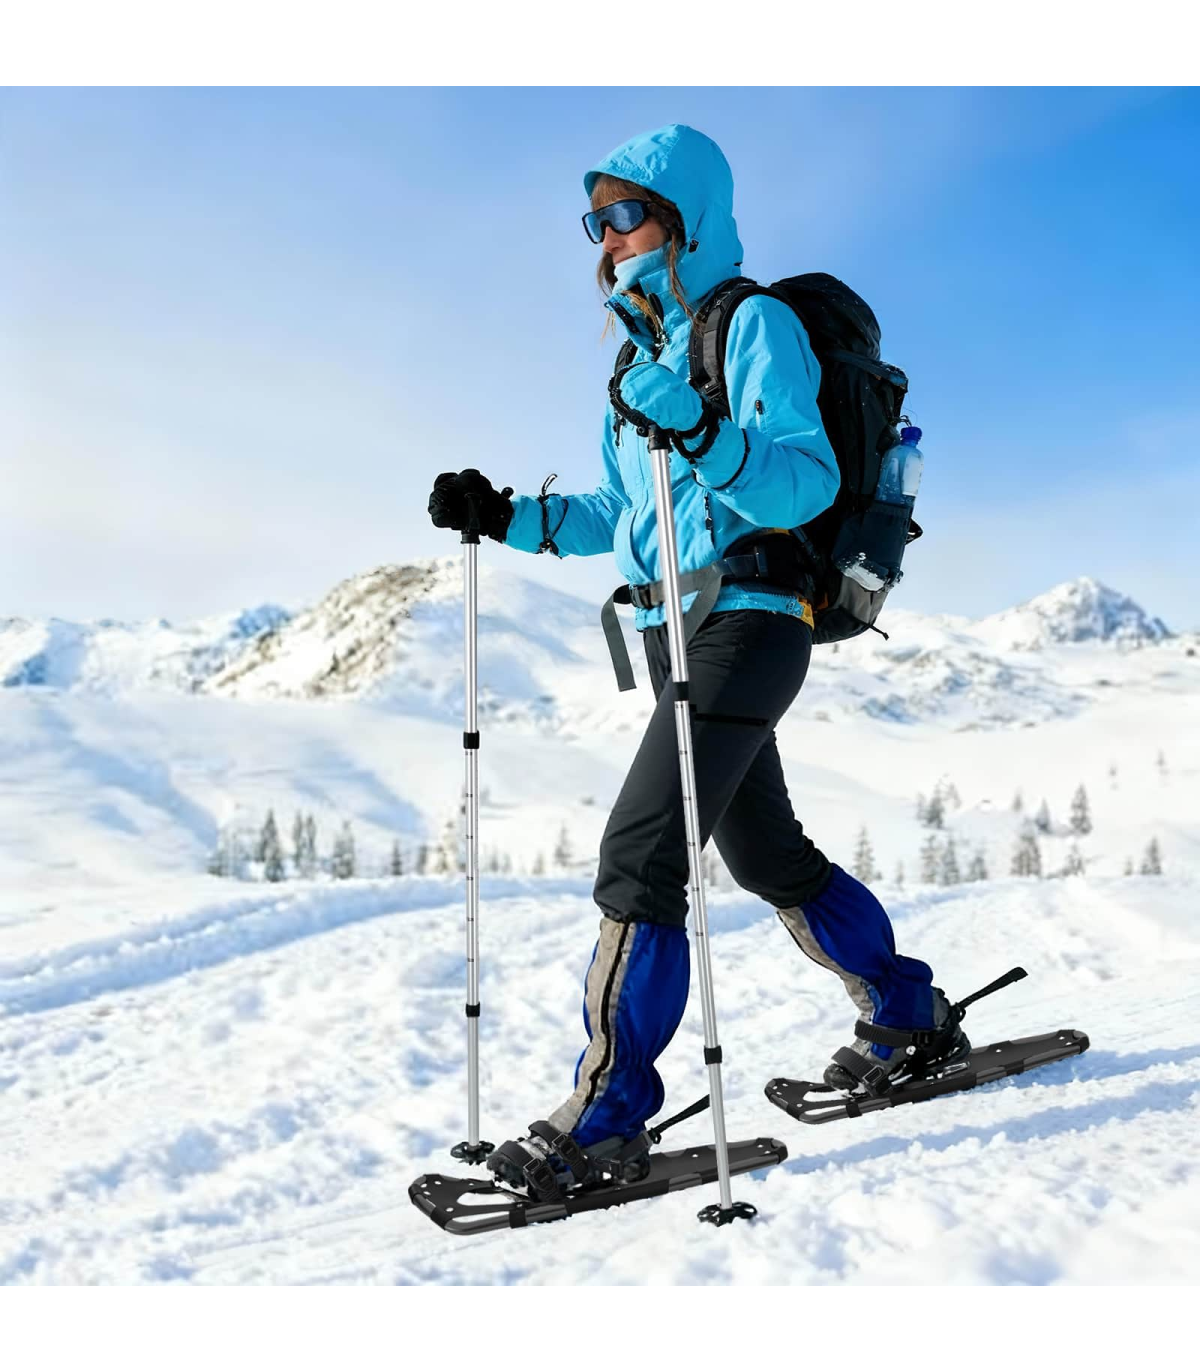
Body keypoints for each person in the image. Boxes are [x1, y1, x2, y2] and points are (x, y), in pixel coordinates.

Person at [427, 124, 967, 1194]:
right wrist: (506, 514)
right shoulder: (637, 366)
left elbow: (804, 480)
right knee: (768, 858)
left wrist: (699, 431)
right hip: (681, 632)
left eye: (628, 214)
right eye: (597, 221)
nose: (609, 238)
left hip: (755, 615)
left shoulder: (751, 323)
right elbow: (617, 514)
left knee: (641, 855)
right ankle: (909, 1013)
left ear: (688, 219)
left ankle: (606, 1116)